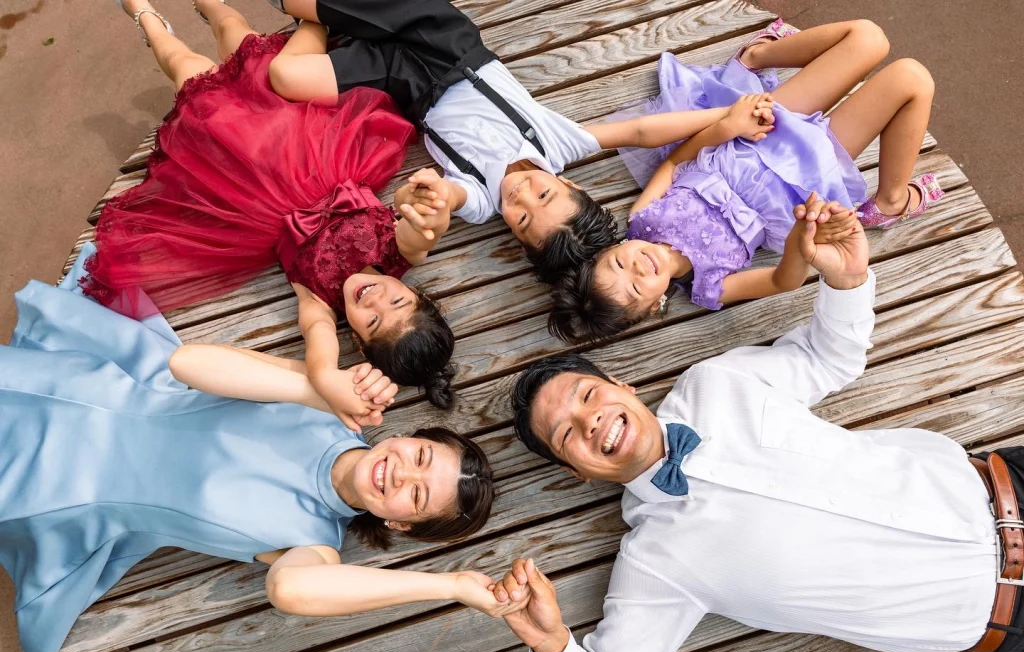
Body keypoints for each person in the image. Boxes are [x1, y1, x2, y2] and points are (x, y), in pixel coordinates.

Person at [499, 195, 1013, 652]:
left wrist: (847, 280)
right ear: (577, 472)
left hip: (1002, 480)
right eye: (567, 433)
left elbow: (825, 358)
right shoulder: (654, 564)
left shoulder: (715, 383)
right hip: (1008, 622)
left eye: (588, 395)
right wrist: (552, 645)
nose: (590, 420)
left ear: (621, 385)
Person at [0, 245, 508, 652]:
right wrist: (320, 390)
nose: (401, 473)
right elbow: (186, 364)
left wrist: (450, 586)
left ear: (399, 523)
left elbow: (288, 590)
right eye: (420, 456)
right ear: (405, 436)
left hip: (64, 495)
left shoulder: (314, 543)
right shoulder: (325, 407)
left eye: (416, 494)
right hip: (77, 399)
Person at [94, 0, 457, 407]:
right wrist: (428, 205)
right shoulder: (399, 252)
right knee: (240, 39)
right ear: (417, 293)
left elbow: (319, 359)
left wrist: (328, 380)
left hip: (247, 182)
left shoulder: (319, 305)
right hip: (310, 146)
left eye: (373, 321)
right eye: (397, 302)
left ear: (356, 340)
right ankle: (212, 5)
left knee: (187, 67)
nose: (375, 300)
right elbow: (420, 225)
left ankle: (147, 19)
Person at [259, 0, 774, 282]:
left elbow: (452, 197)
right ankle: (318, 12)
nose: (521, 196)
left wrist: (436, 198)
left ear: (513, 233)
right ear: (568, 184)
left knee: (286, 76)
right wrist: (725, 117)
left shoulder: (483, 200)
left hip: (406, 83)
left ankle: (319, 22)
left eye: (522, 219)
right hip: (446, 44)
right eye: (544, 194)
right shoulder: (557, 147)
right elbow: (639, 132)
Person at [548, 20, 943, 342]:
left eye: (619, 263)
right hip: (805, 178)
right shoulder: (709, 287)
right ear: (654, 306)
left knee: (869, 37)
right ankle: (890, 203)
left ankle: (756, 56)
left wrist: (726, 128)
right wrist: (802, 239)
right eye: (636, 289)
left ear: (613, 247)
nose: (637, 268)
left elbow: (674, 162)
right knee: (913, 78)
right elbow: (781, 281)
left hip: (758, 133)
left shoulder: (642, 220)